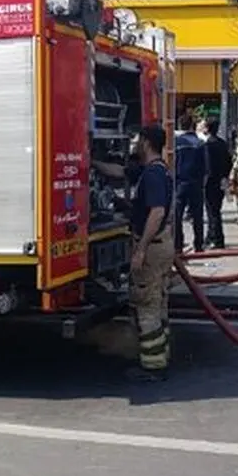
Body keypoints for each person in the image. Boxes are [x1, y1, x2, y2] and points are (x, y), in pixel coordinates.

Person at [91, 125, 175, 381]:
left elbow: (157, 212)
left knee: (145, 303)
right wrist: (93, 161)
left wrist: (140, 249)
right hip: (162, 245)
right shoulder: (155, 170)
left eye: (138, 140)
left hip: (152, 247)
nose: (134, 143)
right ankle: (161, 354)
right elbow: (119, 171)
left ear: (146, 143)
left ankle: (152, 367)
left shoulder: (152, 176)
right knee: (158, 302)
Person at [173, 114, 206, 254]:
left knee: (177, 216)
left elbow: (173, 163)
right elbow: (205, 165)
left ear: (180, 126)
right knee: (197, 216)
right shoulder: (199, 143)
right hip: (196, 183)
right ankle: (198, 245)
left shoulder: (176, 143)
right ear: (192, 125)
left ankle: (178, 245)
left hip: (180, 183)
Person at [199, 116, 232, 250]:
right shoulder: (222, 143)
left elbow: (206, 165)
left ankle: (216, 239)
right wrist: (224, 176)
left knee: (212, 211)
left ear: (207, 128)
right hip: (221, 180)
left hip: (210, 182)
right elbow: (229, 162)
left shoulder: (208, 145)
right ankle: (212, 236)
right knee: (216, 210)